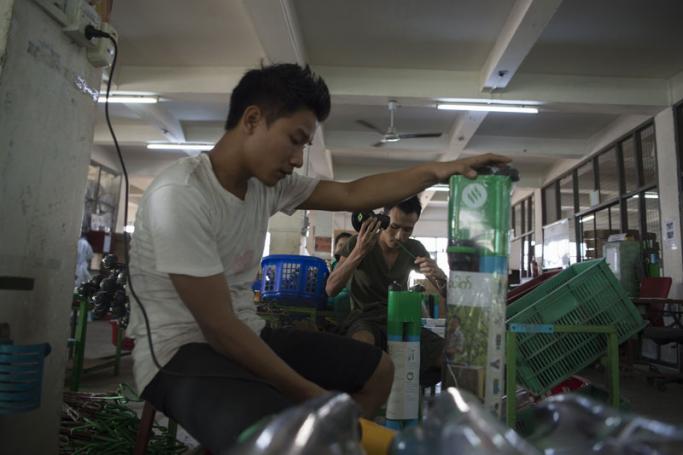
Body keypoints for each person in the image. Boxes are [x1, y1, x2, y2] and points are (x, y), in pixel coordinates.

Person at [126, 62, 509, 452]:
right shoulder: (181, 195)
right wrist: (311, 395)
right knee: (283, 431)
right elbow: (219, 328)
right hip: (178, 353)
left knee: (378, 371)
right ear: (253, 120)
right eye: (295, 140)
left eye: (304, 147)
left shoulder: (266, 187)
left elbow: (351, 194)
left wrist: (438, 171)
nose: (297, 158)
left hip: (248, 333)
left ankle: (333, 442)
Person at [325, 196, 448, 386]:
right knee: (362, 346)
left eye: (408, 230)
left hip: (400, 319)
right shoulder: (359, 242)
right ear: (382, 220)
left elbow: (447, 293)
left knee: (447, 357)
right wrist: (359, 251)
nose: (400, 236)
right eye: (394, 227)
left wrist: (440, 276)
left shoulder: (414, 248)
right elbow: (331, 289)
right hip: (364, 318)